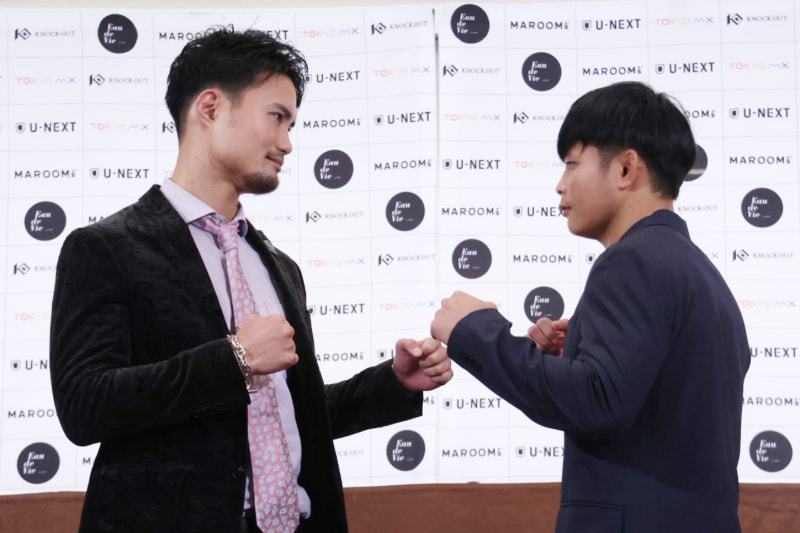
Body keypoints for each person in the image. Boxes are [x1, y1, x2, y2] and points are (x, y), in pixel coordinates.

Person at [50, 28, 452, 533]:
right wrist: (235, 359)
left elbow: (283, 415)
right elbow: (84, 404)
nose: (287, 143)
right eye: (277, 117)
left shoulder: (279, 266)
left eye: (291, 124)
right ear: (211, 108)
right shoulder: (106, 247)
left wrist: (391, 383)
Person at [431, 81, 750, 533]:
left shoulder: (632, 260)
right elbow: (647, 398)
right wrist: (579, 354)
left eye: (571, 163)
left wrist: (474, 330)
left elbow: (598, 403)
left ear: (626, 169)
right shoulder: (699, 272)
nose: (560, 185)